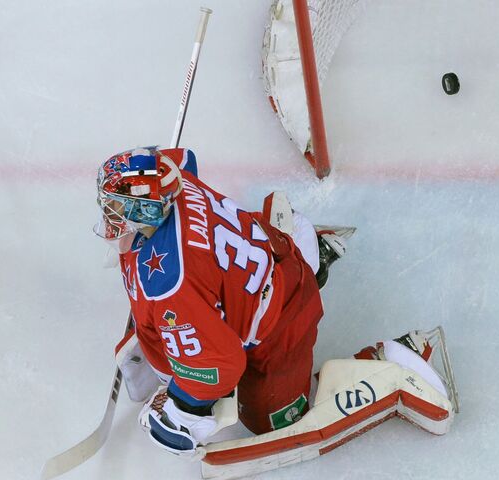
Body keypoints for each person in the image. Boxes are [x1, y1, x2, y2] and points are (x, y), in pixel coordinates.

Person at [93, 146, 453, 461]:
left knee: (272, 420)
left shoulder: (170, 283)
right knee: (213, 297)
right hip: (267, 250)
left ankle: (388, 363)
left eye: (117, 209)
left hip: (281, 320)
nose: (108, 218)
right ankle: (301, 245)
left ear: (148, 213)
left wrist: (182, 411)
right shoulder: (173, 178)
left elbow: (218, 365)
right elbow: (183, 158)